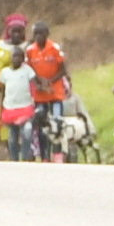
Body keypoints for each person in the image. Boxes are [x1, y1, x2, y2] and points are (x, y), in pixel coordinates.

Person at [27, 23, 72, 159]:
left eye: (41, 34)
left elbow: (63, 69)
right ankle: (44, 155)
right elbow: (29, 70)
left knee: (57, 124)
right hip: (40, 96)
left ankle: (58, 154)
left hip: (55, 93)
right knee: (41, 127)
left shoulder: (54, 48)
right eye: (35, 34)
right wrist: (39, 82)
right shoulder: (30, 50)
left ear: (47, 34)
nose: (38, 37)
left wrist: (50, 81)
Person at [0, 41, 38, 158]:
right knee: (13, 136)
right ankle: (14, 159)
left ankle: (25, 156)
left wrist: (34, 100)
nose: (17, 58)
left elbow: (33, 85)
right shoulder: (5, 73)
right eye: (14, 56)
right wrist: (1, 108)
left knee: (27, 132)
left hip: (25, 107)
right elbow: (2, 91)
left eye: (20, 56)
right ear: (10, 57)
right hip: (10, 108)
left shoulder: (27, 70)